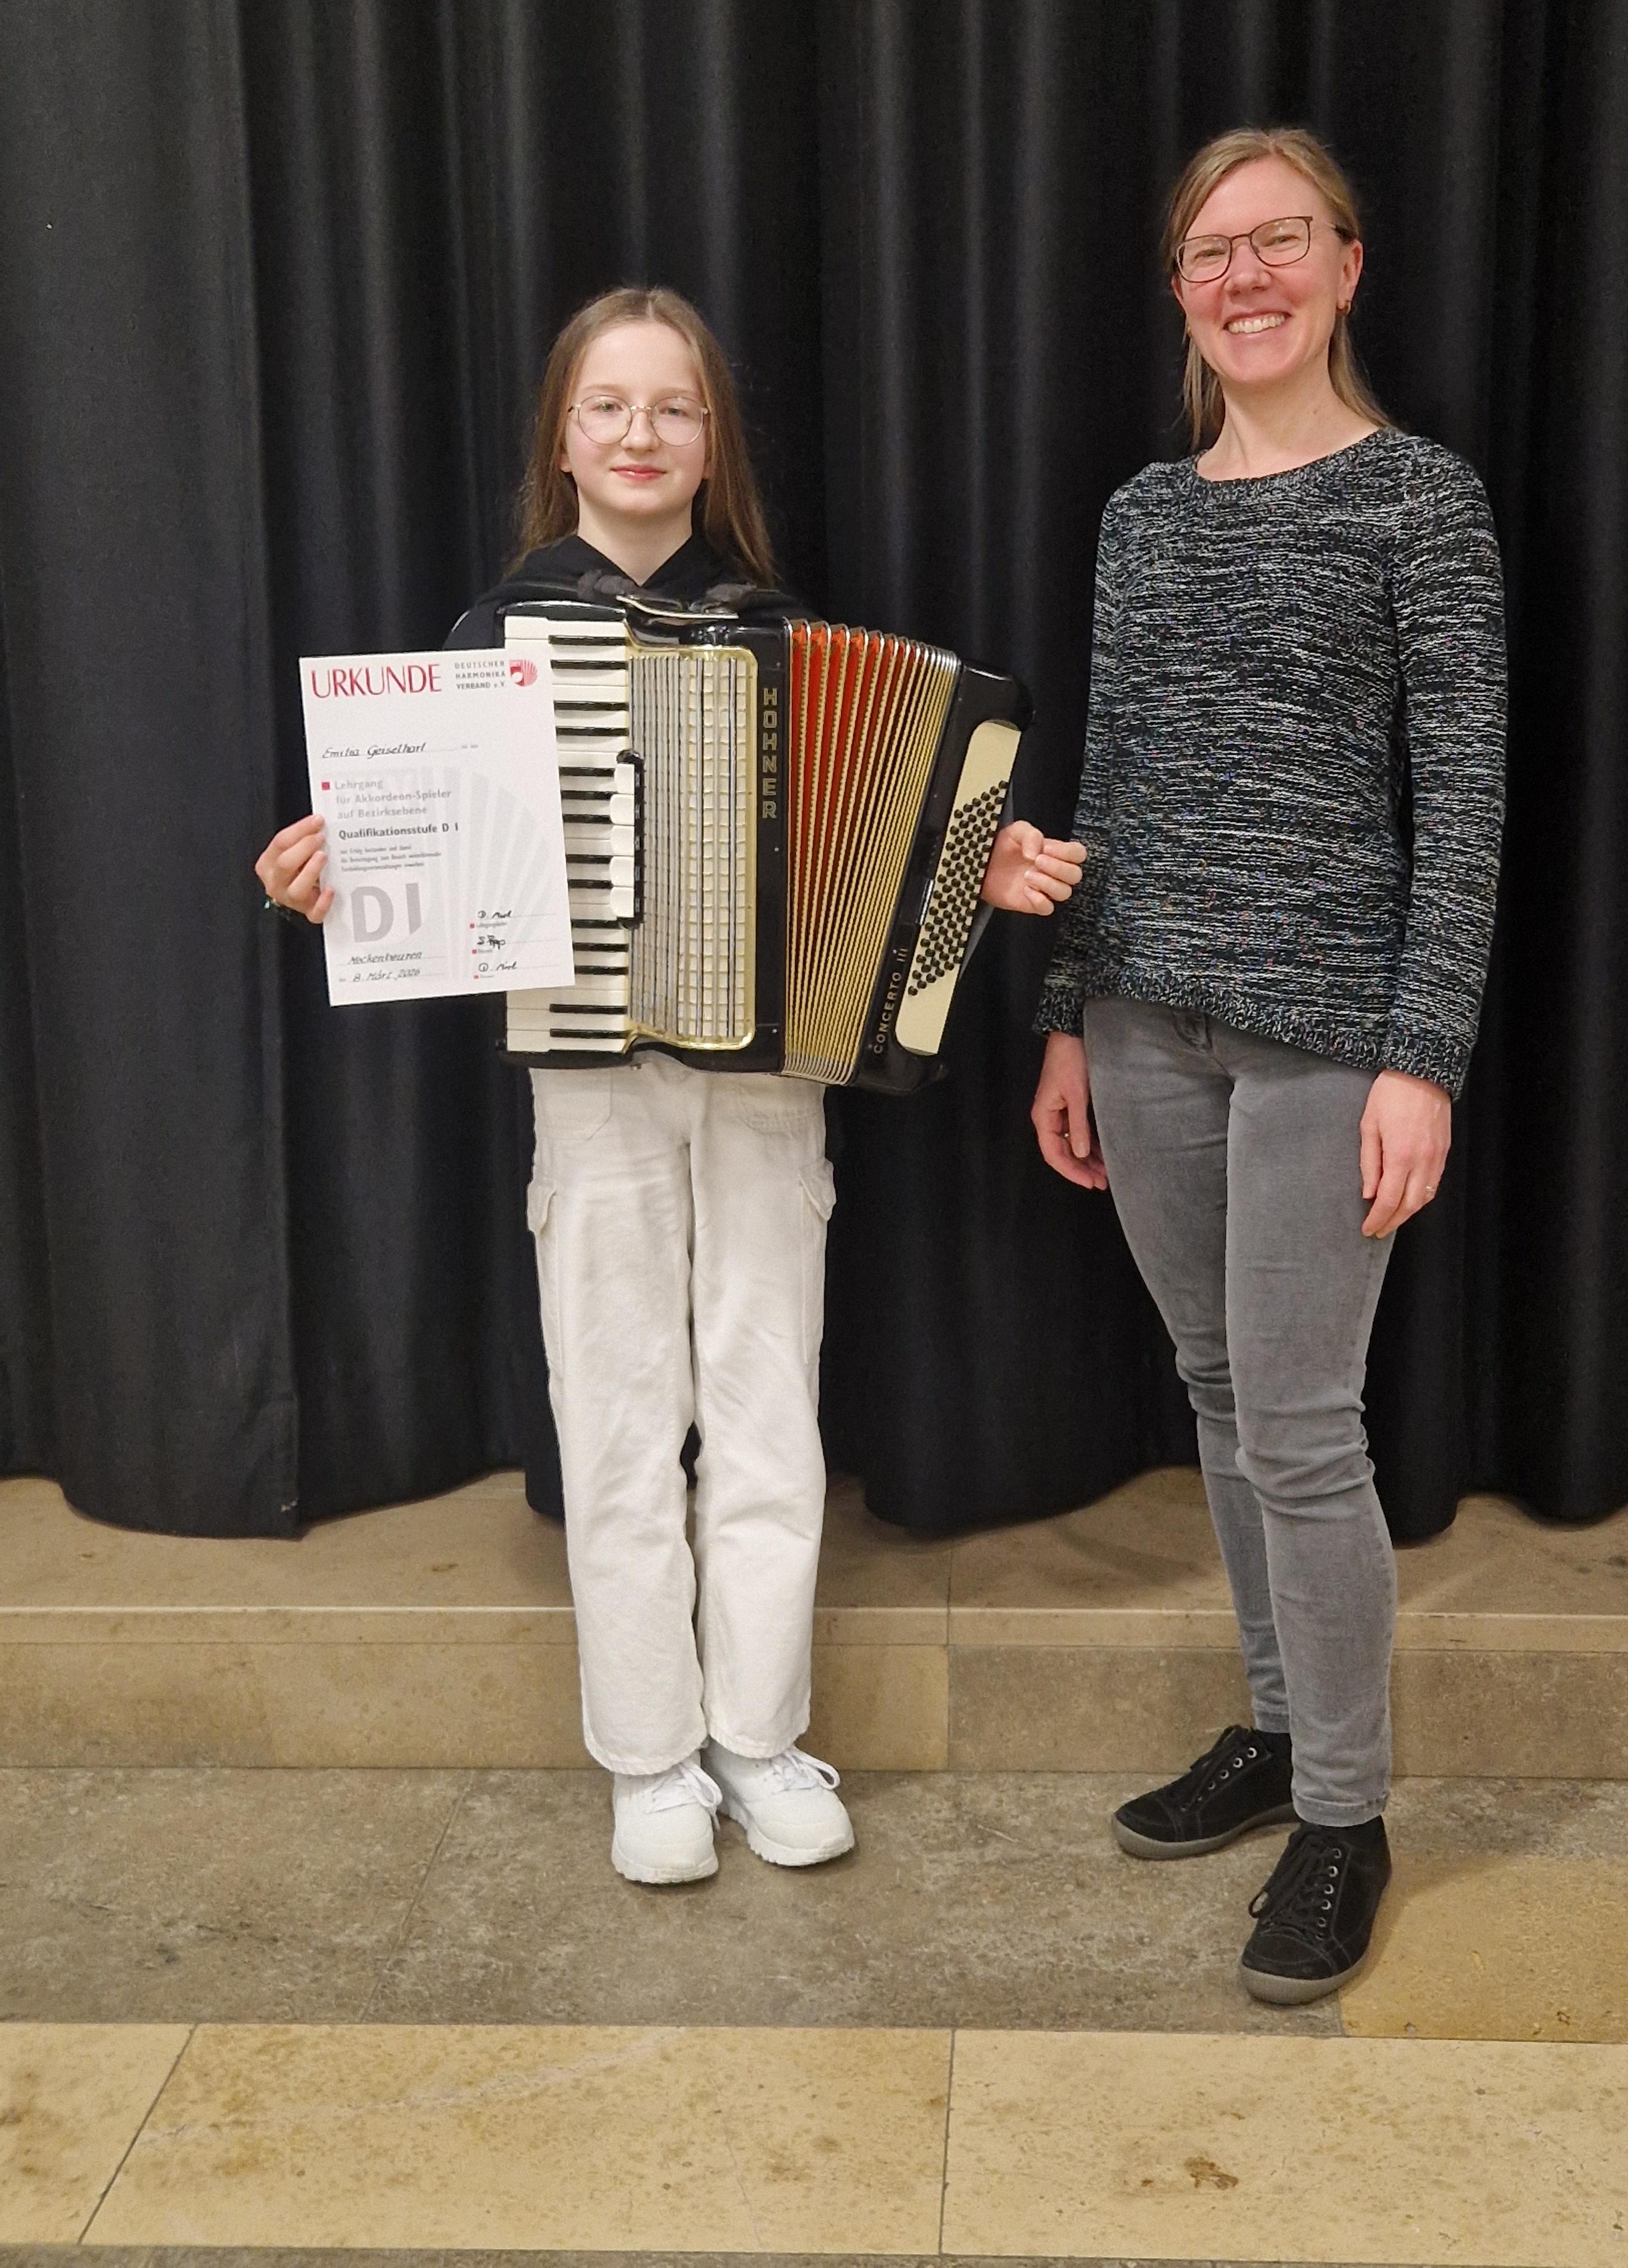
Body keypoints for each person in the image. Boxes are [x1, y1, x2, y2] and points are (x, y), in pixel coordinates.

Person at [258, 285, 1083, 1884]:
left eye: (675, 408)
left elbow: (881, 833)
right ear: (562, 441)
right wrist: (339, 873)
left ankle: (758, 1739)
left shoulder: (779, 631)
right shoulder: (491, 643)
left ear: (714, 445)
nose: (641, 434)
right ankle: (649, 1759)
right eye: (609, 406)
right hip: (590, 1085)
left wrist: (975, 863)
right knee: (618, 1412)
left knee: (770, 1409)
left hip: (771, 1085)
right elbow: (435, 877)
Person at [1031, 130, 1505, 2003]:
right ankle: (1280, 1725)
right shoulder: (1143, 516)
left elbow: (1463, 799)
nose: (1247, 278)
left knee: (1304, 1425)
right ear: (1179, 290)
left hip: (1328, 1040)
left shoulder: (1421, 501)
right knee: (1220, 1390)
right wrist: (1066, 1012)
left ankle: (1348, 1817)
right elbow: (1114, 775)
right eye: (1212, 252)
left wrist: (1425, 1058)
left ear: (1347, 265)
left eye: (1279, 242)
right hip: (1143, 1023)